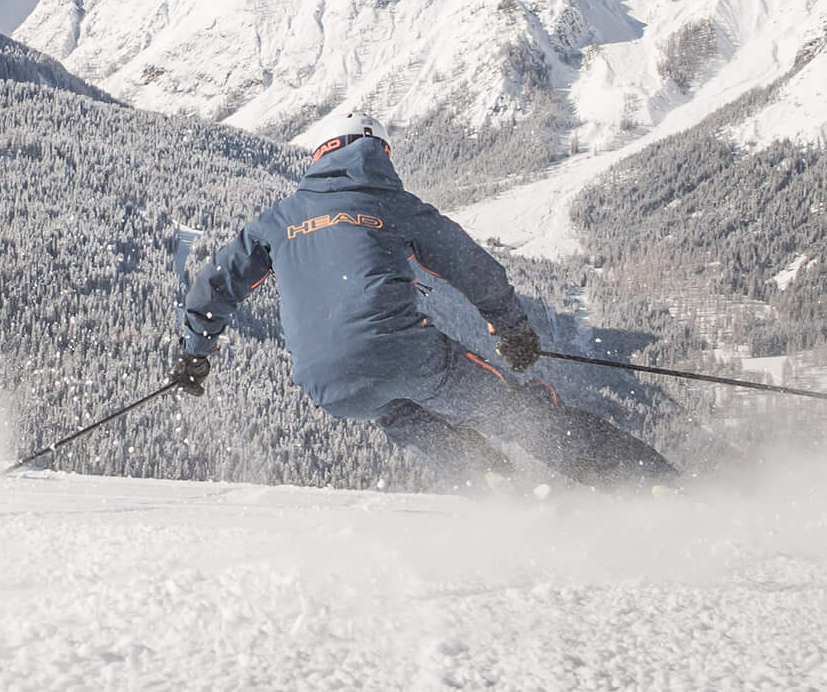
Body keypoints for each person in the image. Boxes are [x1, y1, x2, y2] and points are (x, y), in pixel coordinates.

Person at [171, 109, 675, 490]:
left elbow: (214, 286)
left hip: (323, 382)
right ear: (380, 155)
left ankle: (498, 494)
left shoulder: (277, 219)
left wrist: (195, 355)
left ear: (320, 156)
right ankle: (647, 485)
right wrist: (514, 331)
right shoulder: (396, 206)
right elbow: (473, 268)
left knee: (399, 413)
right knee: (520, 415)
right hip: (405, 353)